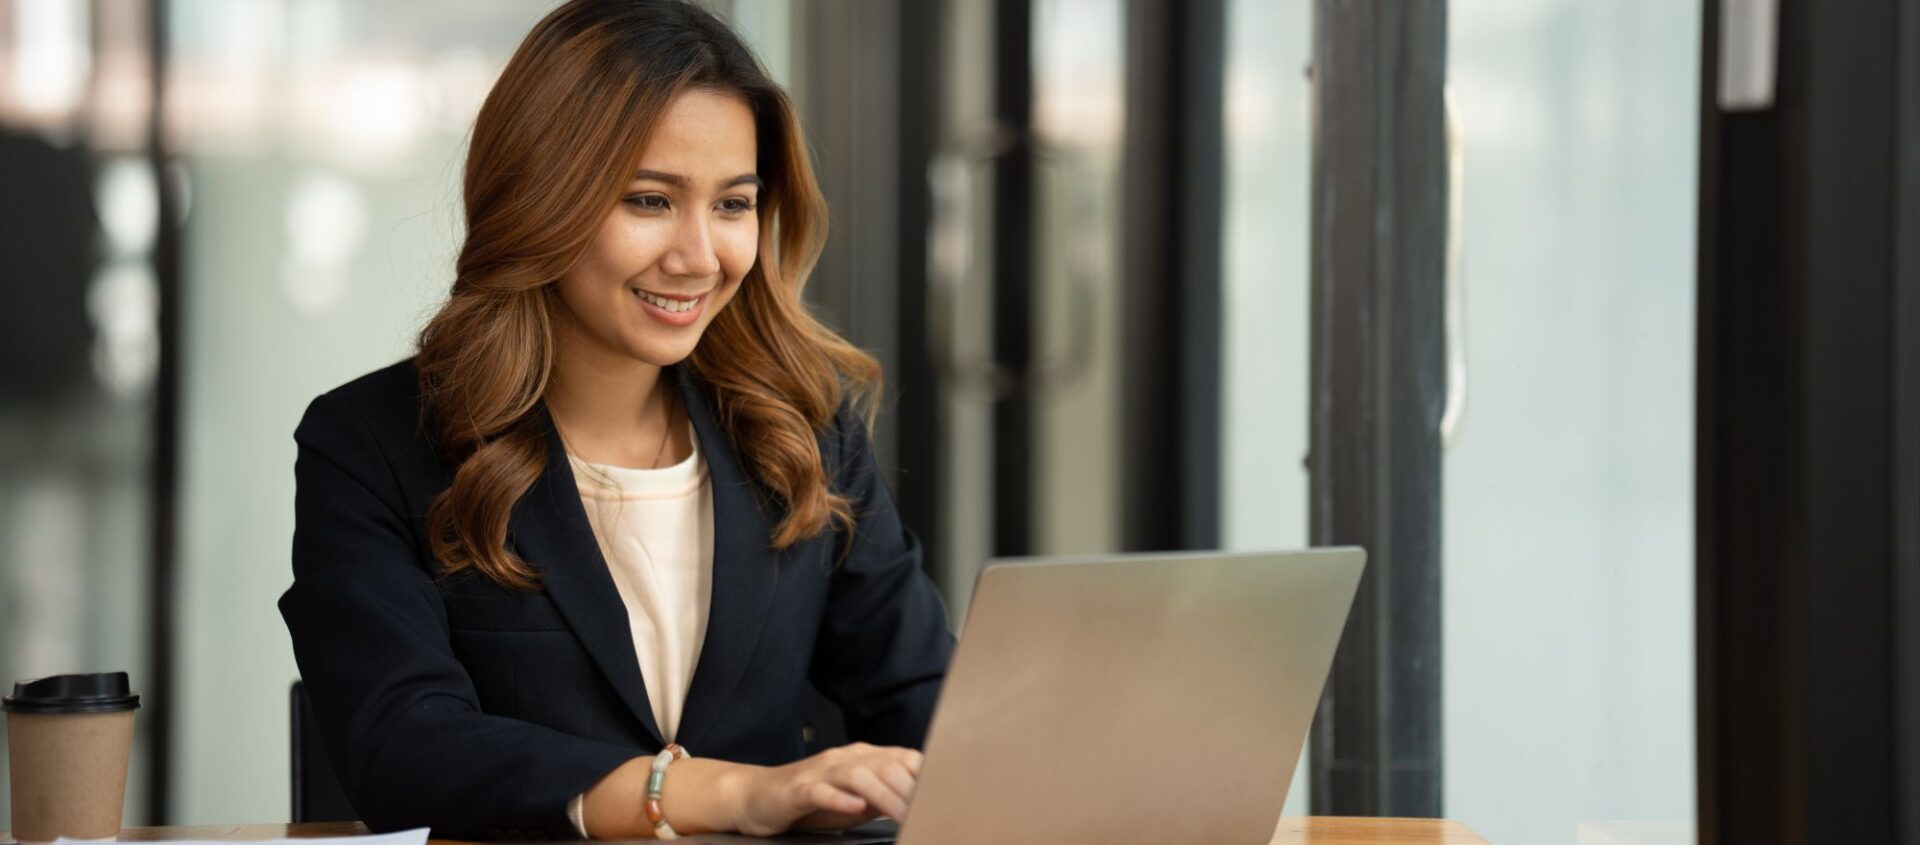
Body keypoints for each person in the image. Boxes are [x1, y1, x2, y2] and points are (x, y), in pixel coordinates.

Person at [277, 1, 955, 839]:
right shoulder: (372, 443)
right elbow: (402, 748)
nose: (699, 256)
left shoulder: (804, 425)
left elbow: (929, 706)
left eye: (733, 204)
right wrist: (721, 794)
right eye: (649, 200)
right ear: (541, 196)